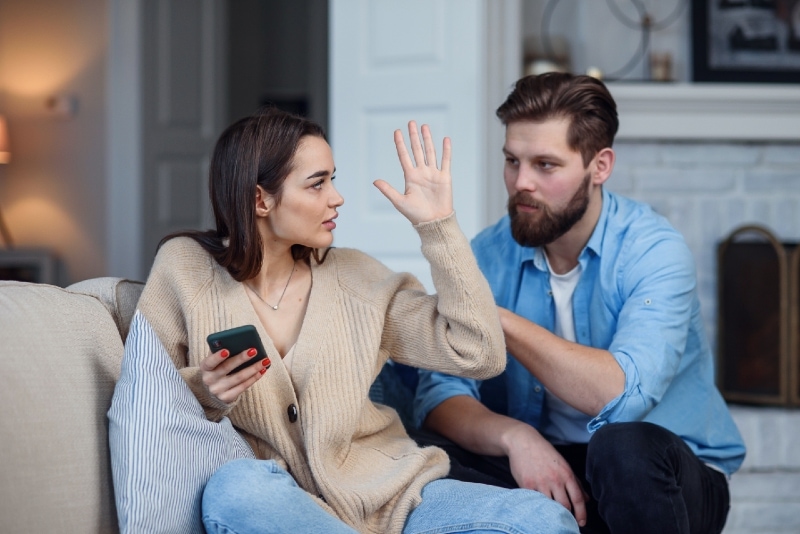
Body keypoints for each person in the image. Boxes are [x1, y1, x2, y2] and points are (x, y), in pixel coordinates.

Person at [133, 107, 578, 534]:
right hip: (284, 508)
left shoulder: (358, 278)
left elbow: (479, 353)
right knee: (235, 492)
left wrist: (439, 227)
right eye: (316, 184)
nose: (337, 197)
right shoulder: (185, 270)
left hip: (398, 501)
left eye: (333, 180)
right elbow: (148, 399)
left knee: (542, 521)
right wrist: (206, 392)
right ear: (259, 199)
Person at [412, 73, 746, 534]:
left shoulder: (654, 250)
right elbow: (440, 394)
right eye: (512, 160)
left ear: (600, 165)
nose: (520, 183)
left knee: (621, 446)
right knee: (418, 452)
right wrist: (516, 437)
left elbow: (620, 397)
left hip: (666, 474)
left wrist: (496, 319)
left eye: (545, 165)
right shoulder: (488, 254)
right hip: (546, 466)